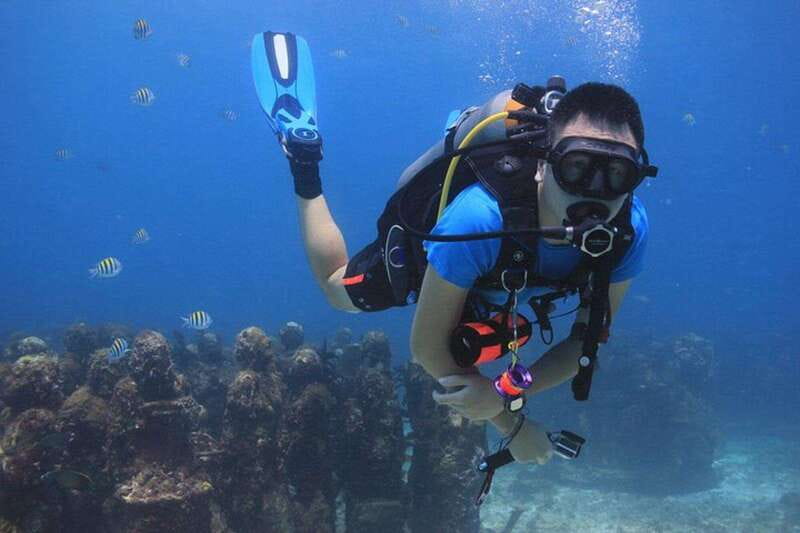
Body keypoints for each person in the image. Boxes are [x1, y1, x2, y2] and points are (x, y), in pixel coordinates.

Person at [252, 32, 655, 467]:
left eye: (617, 174)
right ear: (543, 165)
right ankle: (303, 157)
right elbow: (427, 347)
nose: (594, 193)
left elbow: (586, 340)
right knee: (337, 291)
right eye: (577, 168)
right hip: (454, 253)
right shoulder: (478, 221)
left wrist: (505, 391)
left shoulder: (628, 230)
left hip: (502, 278)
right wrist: (511, 425)